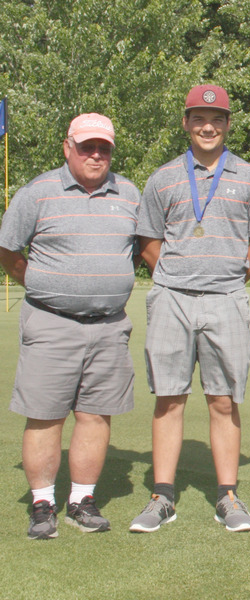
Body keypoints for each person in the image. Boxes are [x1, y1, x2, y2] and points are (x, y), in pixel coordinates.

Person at [130, 85, 250, 533]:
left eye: (216, 118)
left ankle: (227, 496)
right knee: (169, 398)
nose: (207, 126)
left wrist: (227, 279)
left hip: (226, 300)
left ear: (228, 124)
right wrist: (177, 276)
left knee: (223, 400)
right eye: (198, 118)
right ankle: (163, 496)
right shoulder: (163, 177)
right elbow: (149, 240)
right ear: (186, 122)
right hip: (171, 297)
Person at [0, 113, 140, 539]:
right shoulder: (39, 191)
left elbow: (138, 251)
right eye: (87, 146)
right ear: (68, 147)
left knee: (96, 415)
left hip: (109, 326)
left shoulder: (130, 193)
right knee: (44, 416)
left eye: (104, 147)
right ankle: (43, 504)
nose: (96, 154)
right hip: (51, 322)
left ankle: (82, 500)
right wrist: (42, 283)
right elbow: (7, 249)